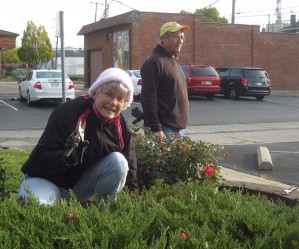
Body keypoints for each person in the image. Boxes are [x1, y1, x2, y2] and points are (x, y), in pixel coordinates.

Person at [17, 67, 139, 205]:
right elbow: (38, 159)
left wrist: (132, 205)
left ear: (124, 104)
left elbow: (130, 166)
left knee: (119, 161)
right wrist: (65, 158)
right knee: (36, 207)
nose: (113, 102)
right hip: (44, 180)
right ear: (95, 93)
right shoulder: (68, 112)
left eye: (120, 99)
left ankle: (105, 216)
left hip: (76, 189)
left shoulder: (120, 126)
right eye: (109, 94)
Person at [140, 21, 190, 140]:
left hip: (178, 129)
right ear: (163, 38)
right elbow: (148, 98)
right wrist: (155, 128)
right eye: (176, 37)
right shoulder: (155, 62)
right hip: (164, 129)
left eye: (182, 38)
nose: (180, 41)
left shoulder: (173, 61)